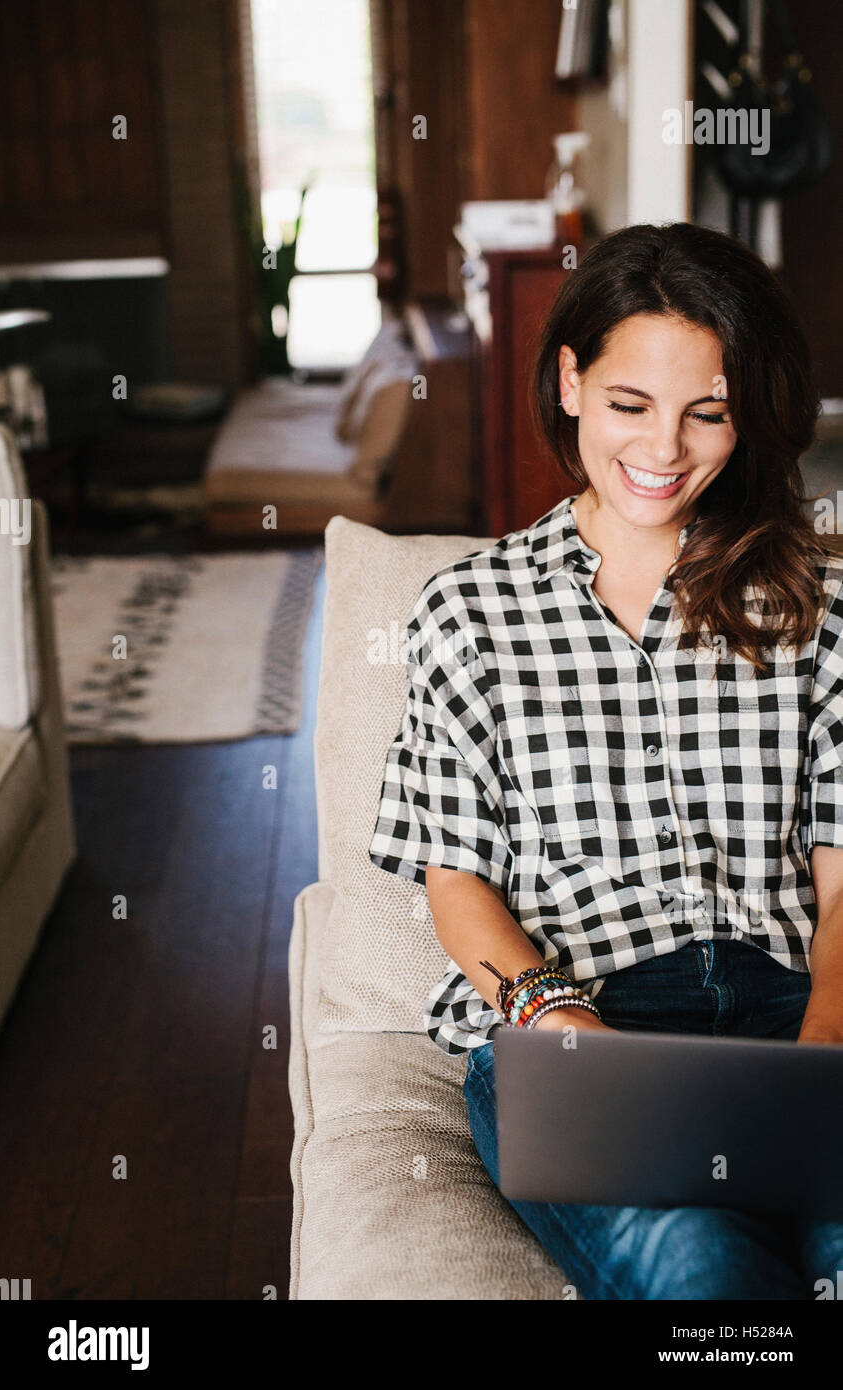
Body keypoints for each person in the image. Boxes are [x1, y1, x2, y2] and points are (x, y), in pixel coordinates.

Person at [368, 221, 843, 1300]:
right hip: (581, 1015)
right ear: (571, 381)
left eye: (706, 413)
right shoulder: (469, 613)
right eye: (630, 405)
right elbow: (455, 884)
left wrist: (822, 1048)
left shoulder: (814, 605)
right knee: (701, 1268)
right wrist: (560, 1023)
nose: (663, 449)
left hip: (791, 1007)